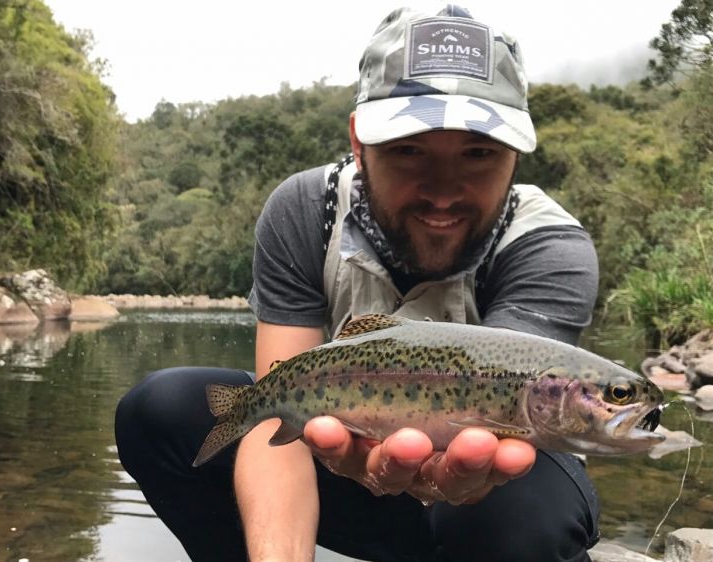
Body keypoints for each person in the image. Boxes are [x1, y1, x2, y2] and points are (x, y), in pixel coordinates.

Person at [115, 5, 601, 562]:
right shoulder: (304, 209)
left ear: (515, 156)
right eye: (407, 150)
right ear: (358, 142)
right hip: (344, 457)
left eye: (478, 153)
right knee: (161, 410)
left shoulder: (551, 247)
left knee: (510, 506)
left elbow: (512, 418)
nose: (442, 192)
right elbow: (277, 407)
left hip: (490, 486)